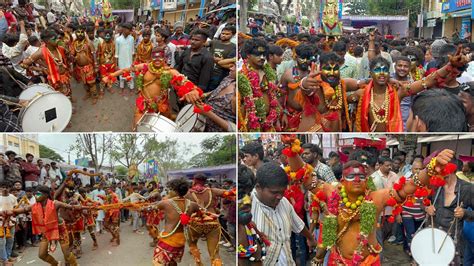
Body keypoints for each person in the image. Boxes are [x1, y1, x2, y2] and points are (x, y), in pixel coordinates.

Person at [282, 135, 455, 265]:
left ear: (367, 179)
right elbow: (305, 177)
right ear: (342, 180)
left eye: (361, 176)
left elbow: (406, 188)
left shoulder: (376, 197)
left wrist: (431, 169)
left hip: (368, 261)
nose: (357, 179)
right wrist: (291, 149)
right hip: (338, 260)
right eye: (351, 176)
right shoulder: (331, 191)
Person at [3, 185, 88, 265]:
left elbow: (70, 206)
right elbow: (23, 209)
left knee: (67, 254)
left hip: (60, 230)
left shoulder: (55, 203)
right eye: (35, 194)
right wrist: (9, 212)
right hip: (47, 231)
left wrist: (87, 207)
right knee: (42, 254)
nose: (36, 196)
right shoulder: (34, 206)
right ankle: (56, 264)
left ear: (46, 195)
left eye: (38, 194)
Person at [250, 162, 317, 265]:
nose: (280, 196)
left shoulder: (284, 202)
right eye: (274, 192)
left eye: (282, 192)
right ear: (258, 187)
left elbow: (298, 225)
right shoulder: (247, 206)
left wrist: (311, 239)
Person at [425, 158, 474, 265]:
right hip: (433, 236)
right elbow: (423, 202)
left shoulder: (467, 188)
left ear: (452, 170)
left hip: (455, 240)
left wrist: (465, 213)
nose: (438, 172)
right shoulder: (435, 185)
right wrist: (427, 208)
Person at [184, 174, 235, 266]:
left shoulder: (188, 194)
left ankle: (198, 264)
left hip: (195, 224)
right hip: (212, 222)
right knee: (215, 253)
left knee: (193, 245)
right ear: (205, 181)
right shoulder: (213, 191)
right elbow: (230, 193)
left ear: (194, 181)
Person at [150, 178, 200, 266]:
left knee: (157, 263)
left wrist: (140, 208)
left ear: (175, 191)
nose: (169, 192)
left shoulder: (166, 203)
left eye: (170, 190)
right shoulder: (193, 205)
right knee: (172, 262)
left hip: (168, 241)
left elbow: (150, 208)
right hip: (181, 241)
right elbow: (200, 214)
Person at [239, 38, 281, 131]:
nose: (262, 58)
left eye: (263, 55)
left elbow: (274, 97)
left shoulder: (269, 73)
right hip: (250, 123)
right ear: (248, 55)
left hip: (270, 122)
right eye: (257, 55)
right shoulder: (242, 75)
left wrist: (276, 119)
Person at [20, 28, 72, 98]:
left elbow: (67, 58)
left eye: (58, 38)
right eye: (54, 39)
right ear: (47, 41)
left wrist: (68, 54)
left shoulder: (60, 47)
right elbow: (23, 64)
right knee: (60, 97)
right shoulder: (41, 52)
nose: (58, 40)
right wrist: (40, 69)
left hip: (64, 76)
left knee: (68, 92)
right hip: (54, 80)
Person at [71, 25, 98, 104]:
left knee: (91, 82)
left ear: (84, 33)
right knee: (84, 82)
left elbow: (94, 55)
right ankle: (88, 93)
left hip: (88, 67)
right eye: (78, 32)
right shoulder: (74, 44)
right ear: (75, 34)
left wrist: (96, 66)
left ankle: (94, 96)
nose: (80, 34)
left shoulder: (88, 43)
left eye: (81, 32)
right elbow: (72, 54)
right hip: (79, 68)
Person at [207, 25, 236, 91]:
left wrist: (222, 61)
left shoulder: (233, 47)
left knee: (213, 91)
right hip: (207, 71)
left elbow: (230, 64)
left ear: (233, 35)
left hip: (219, 74)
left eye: (227, 34)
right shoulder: (214, 42)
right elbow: (204, 43)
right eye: (222, 33)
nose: (224, 35)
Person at [115, 22, 135, 96]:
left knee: (131, 76)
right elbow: (116, 53)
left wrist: (133, 62)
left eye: (130, 30)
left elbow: (133, 51)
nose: (129, 31)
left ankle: (131, 88)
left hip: (129, 61)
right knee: (121, 76)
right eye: (127, 29)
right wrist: (116, 64)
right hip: (121, 61)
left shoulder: (132, 39)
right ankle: (122, 88)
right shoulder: (118, 40)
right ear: (123, 29)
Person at [0, 181, 17, 265]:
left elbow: (15, 209)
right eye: (3, 187)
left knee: (10, 240)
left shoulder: (13, 197)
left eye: (7, 187)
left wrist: (13, 219)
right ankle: (4, 260)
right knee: (2, 242)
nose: (5, 189)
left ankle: (7, 256)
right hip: (1, 224)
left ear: (10, 188)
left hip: (11, 222)